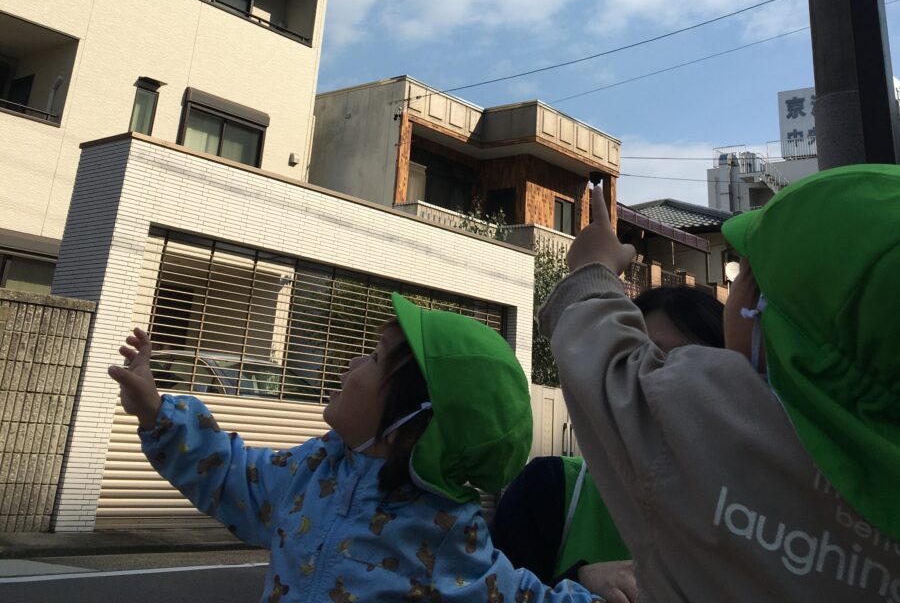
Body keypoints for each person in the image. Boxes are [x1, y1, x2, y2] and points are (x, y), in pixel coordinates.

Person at [540, 167, 900, 602]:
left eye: (742, 274)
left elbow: (603, 356)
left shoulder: (714, 431)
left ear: (767, 315)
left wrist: (593, 265)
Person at [109, 293, 608, 603]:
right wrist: (157, 412)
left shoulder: (445, 536)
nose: (352, 363)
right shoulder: (310, 472)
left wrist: (593, 585)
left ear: (414, 421)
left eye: (373, 356)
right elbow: (230, 474)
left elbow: (522, 597)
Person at [491, 286, 724, 601]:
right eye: (640, 363)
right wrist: (576, 584)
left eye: (691, 366)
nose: (659, 382)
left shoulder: (755, 521)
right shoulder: (548, 489)